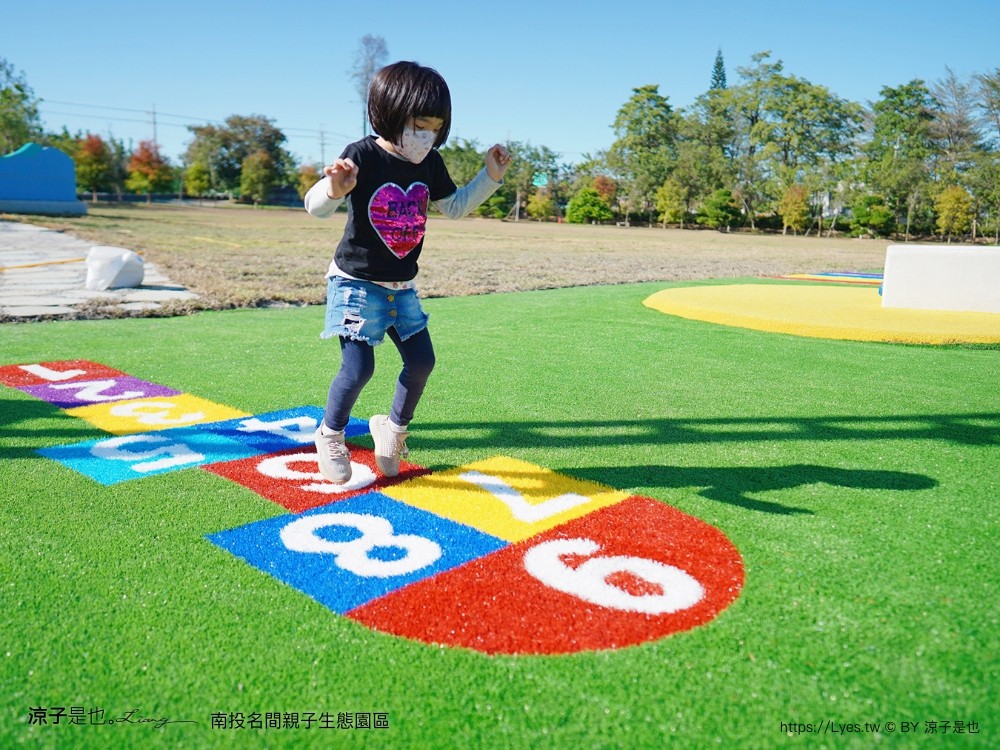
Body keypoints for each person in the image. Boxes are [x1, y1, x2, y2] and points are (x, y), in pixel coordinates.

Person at [304, 60, 511, 484]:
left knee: (421, 362)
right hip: (355, 282)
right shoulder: (362, 154)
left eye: (435, 127)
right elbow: (314, 207)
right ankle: (330, 434)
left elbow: (454, 206)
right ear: (391, 113)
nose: (426, 136)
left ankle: (392, 429)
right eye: (419, 125)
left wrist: (489, 177)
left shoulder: (430, 163)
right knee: (358, 369)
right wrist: (334, 189)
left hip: (401, 285)